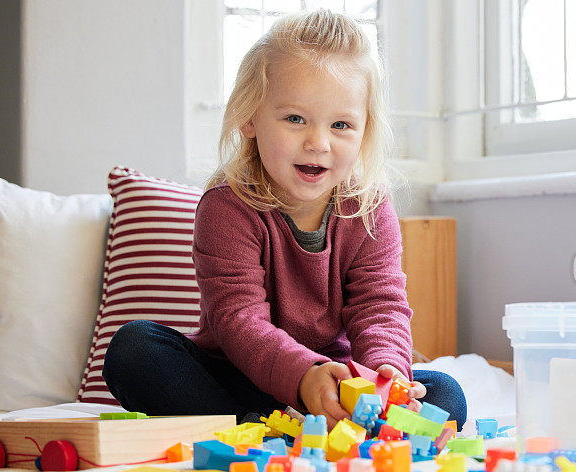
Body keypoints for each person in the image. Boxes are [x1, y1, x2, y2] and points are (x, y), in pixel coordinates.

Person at [103, 9, 467, 429]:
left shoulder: (368, 208)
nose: (318, 142)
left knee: (444, 393)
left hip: (336, 384)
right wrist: (303, 378)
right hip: (241, 378)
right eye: (295, 119)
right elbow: (237, 320)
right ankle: (266, 428)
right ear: (250, 118)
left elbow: (380, 307)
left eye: (341, 125)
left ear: (364, 132)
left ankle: (316, 427)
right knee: (135, 348)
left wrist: (387, 379)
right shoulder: (227, 206)